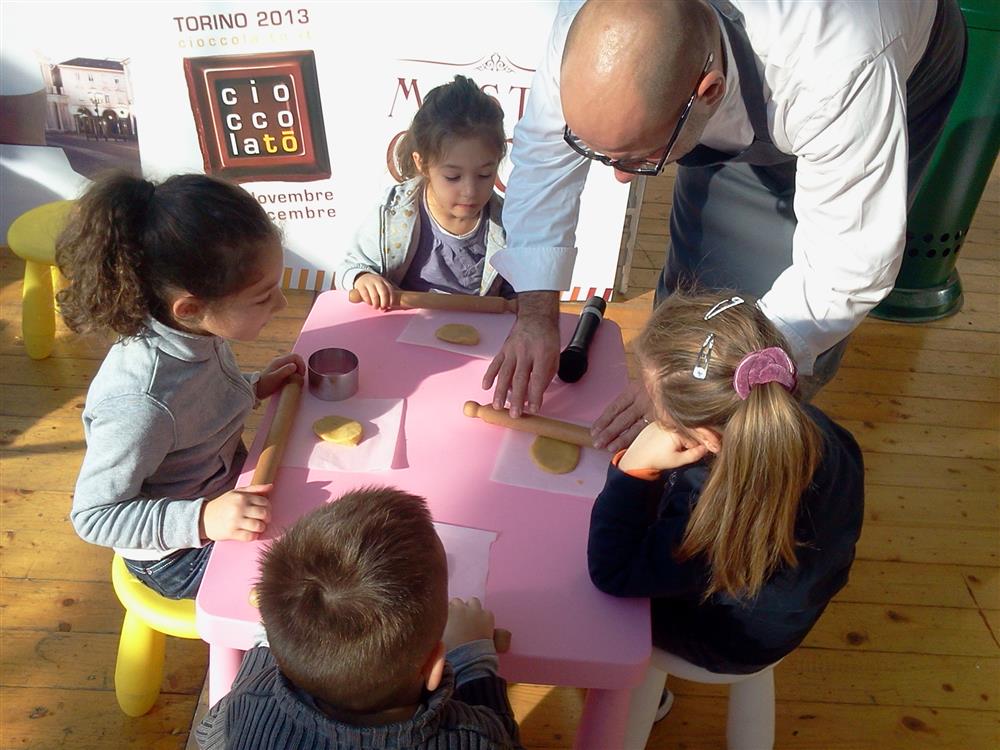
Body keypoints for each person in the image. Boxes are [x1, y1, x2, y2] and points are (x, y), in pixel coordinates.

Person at [483, 0, 967, 450]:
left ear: (709, 91)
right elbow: (543, 157)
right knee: (696, 305)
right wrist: (536, 315)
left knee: (751, 381)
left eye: (640, 159)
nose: (621, 177)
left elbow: (846, 266)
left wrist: (702, 383)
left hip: (897, 66)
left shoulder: (842, 64)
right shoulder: (595, 22)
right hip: (737, 86)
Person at [587, 291, 864, 735]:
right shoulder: (824, 432)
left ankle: (636, 700)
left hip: (728, 639)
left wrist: (635, 468)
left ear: (704, 438)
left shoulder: (711, 507)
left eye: (656, 408)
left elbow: (613, 572)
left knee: (585, 607)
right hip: (788, 613)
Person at [57, 171, 304, 599]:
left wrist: (254, 386)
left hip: (228, 493)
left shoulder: (197, 331)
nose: (281, 304)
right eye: (264, 296)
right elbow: (94, 517)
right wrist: (204, 518)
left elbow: (196, 407)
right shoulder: (140, 403)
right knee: (317, 581)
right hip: (178, 555)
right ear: (189, 308)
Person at [195, 486, 523, 750]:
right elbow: (503, 737)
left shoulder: (251, 702)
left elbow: (210, 735)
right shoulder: (474, 739)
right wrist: (472, 659)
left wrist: (273, 636)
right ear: (434, 665)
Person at [336, 75, 512, 309]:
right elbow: (350, 268)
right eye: (453, 177)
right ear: (422, 163)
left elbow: (517, 292)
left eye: (484, 175)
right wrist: (363, 278)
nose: (470, 191)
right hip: (402, 324)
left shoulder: (508, 223)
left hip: (478, 329)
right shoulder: (391, 213)